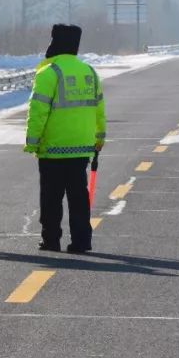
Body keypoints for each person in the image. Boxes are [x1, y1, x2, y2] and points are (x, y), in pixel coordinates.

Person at [24, 24, 106, 254]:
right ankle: (81, 241)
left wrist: (32, 141)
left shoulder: (49, 73)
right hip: (81, 148)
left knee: (51, 199)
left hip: (53, 148)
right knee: (79, 197)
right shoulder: (89, 72)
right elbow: (99, 109)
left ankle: (51, 240)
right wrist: (99, 138)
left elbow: (38, 111)